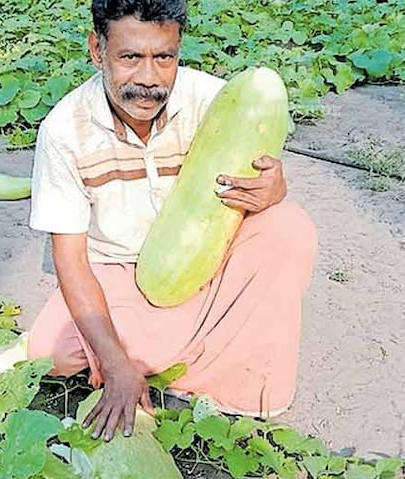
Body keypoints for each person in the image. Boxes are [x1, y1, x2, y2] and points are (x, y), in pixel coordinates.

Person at [22, 0, 319, 441]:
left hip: (209, 268)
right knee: (52, 350)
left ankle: (221, 379)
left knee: (288, 228)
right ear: (96, 50)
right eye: (129, 58)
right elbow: (70, 260)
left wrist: (273, 188)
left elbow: (261, 185)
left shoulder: (213, 101)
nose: (148, 79)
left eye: (164, 58)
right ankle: (197, 357)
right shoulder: (64, 130)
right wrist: (116, 361)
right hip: (115, 275)